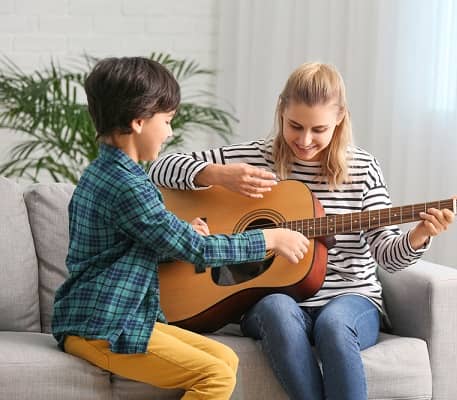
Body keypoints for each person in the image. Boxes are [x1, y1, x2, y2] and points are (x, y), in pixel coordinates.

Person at [149, 62, 455, 400]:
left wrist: (419, 235)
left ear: (340, 119)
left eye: (319, 129)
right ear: (281, 110)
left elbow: (388, 256)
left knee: (335, 326)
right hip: (271, 298)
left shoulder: (363, 169)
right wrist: (218, 175)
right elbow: (160, 168)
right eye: (295, 126)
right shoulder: (254, 157)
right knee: (276, 308)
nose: (305, 140)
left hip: (350, 296)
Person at [51, 56, 309, 400]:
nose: (171, 131)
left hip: (107, 317)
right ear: (139, 120)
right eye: (168, 120)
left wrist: (181, 234)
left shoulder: (108, 173)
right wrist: (268, 238)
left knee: (225, 359)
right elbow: (199, 251)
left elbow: (125, 246)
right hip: (104, 327)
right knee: (215, 375)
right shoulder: (127, 185)